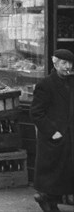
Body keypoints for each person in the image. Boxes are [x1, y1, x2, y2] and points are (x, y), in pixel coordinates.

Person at [30, 49, 74, 212]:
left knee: (63, 172)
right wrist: (52, 132)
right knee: (53, 173)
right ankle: (46, 199)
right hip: (54, 137)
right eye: (63, 63)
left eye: (70, 63)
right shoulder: (45, 84)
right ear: (55, 64)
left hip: (69, 136)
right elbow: (36, 113)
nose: (67, 66)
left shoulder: (71, 82)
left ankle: (49, 199)